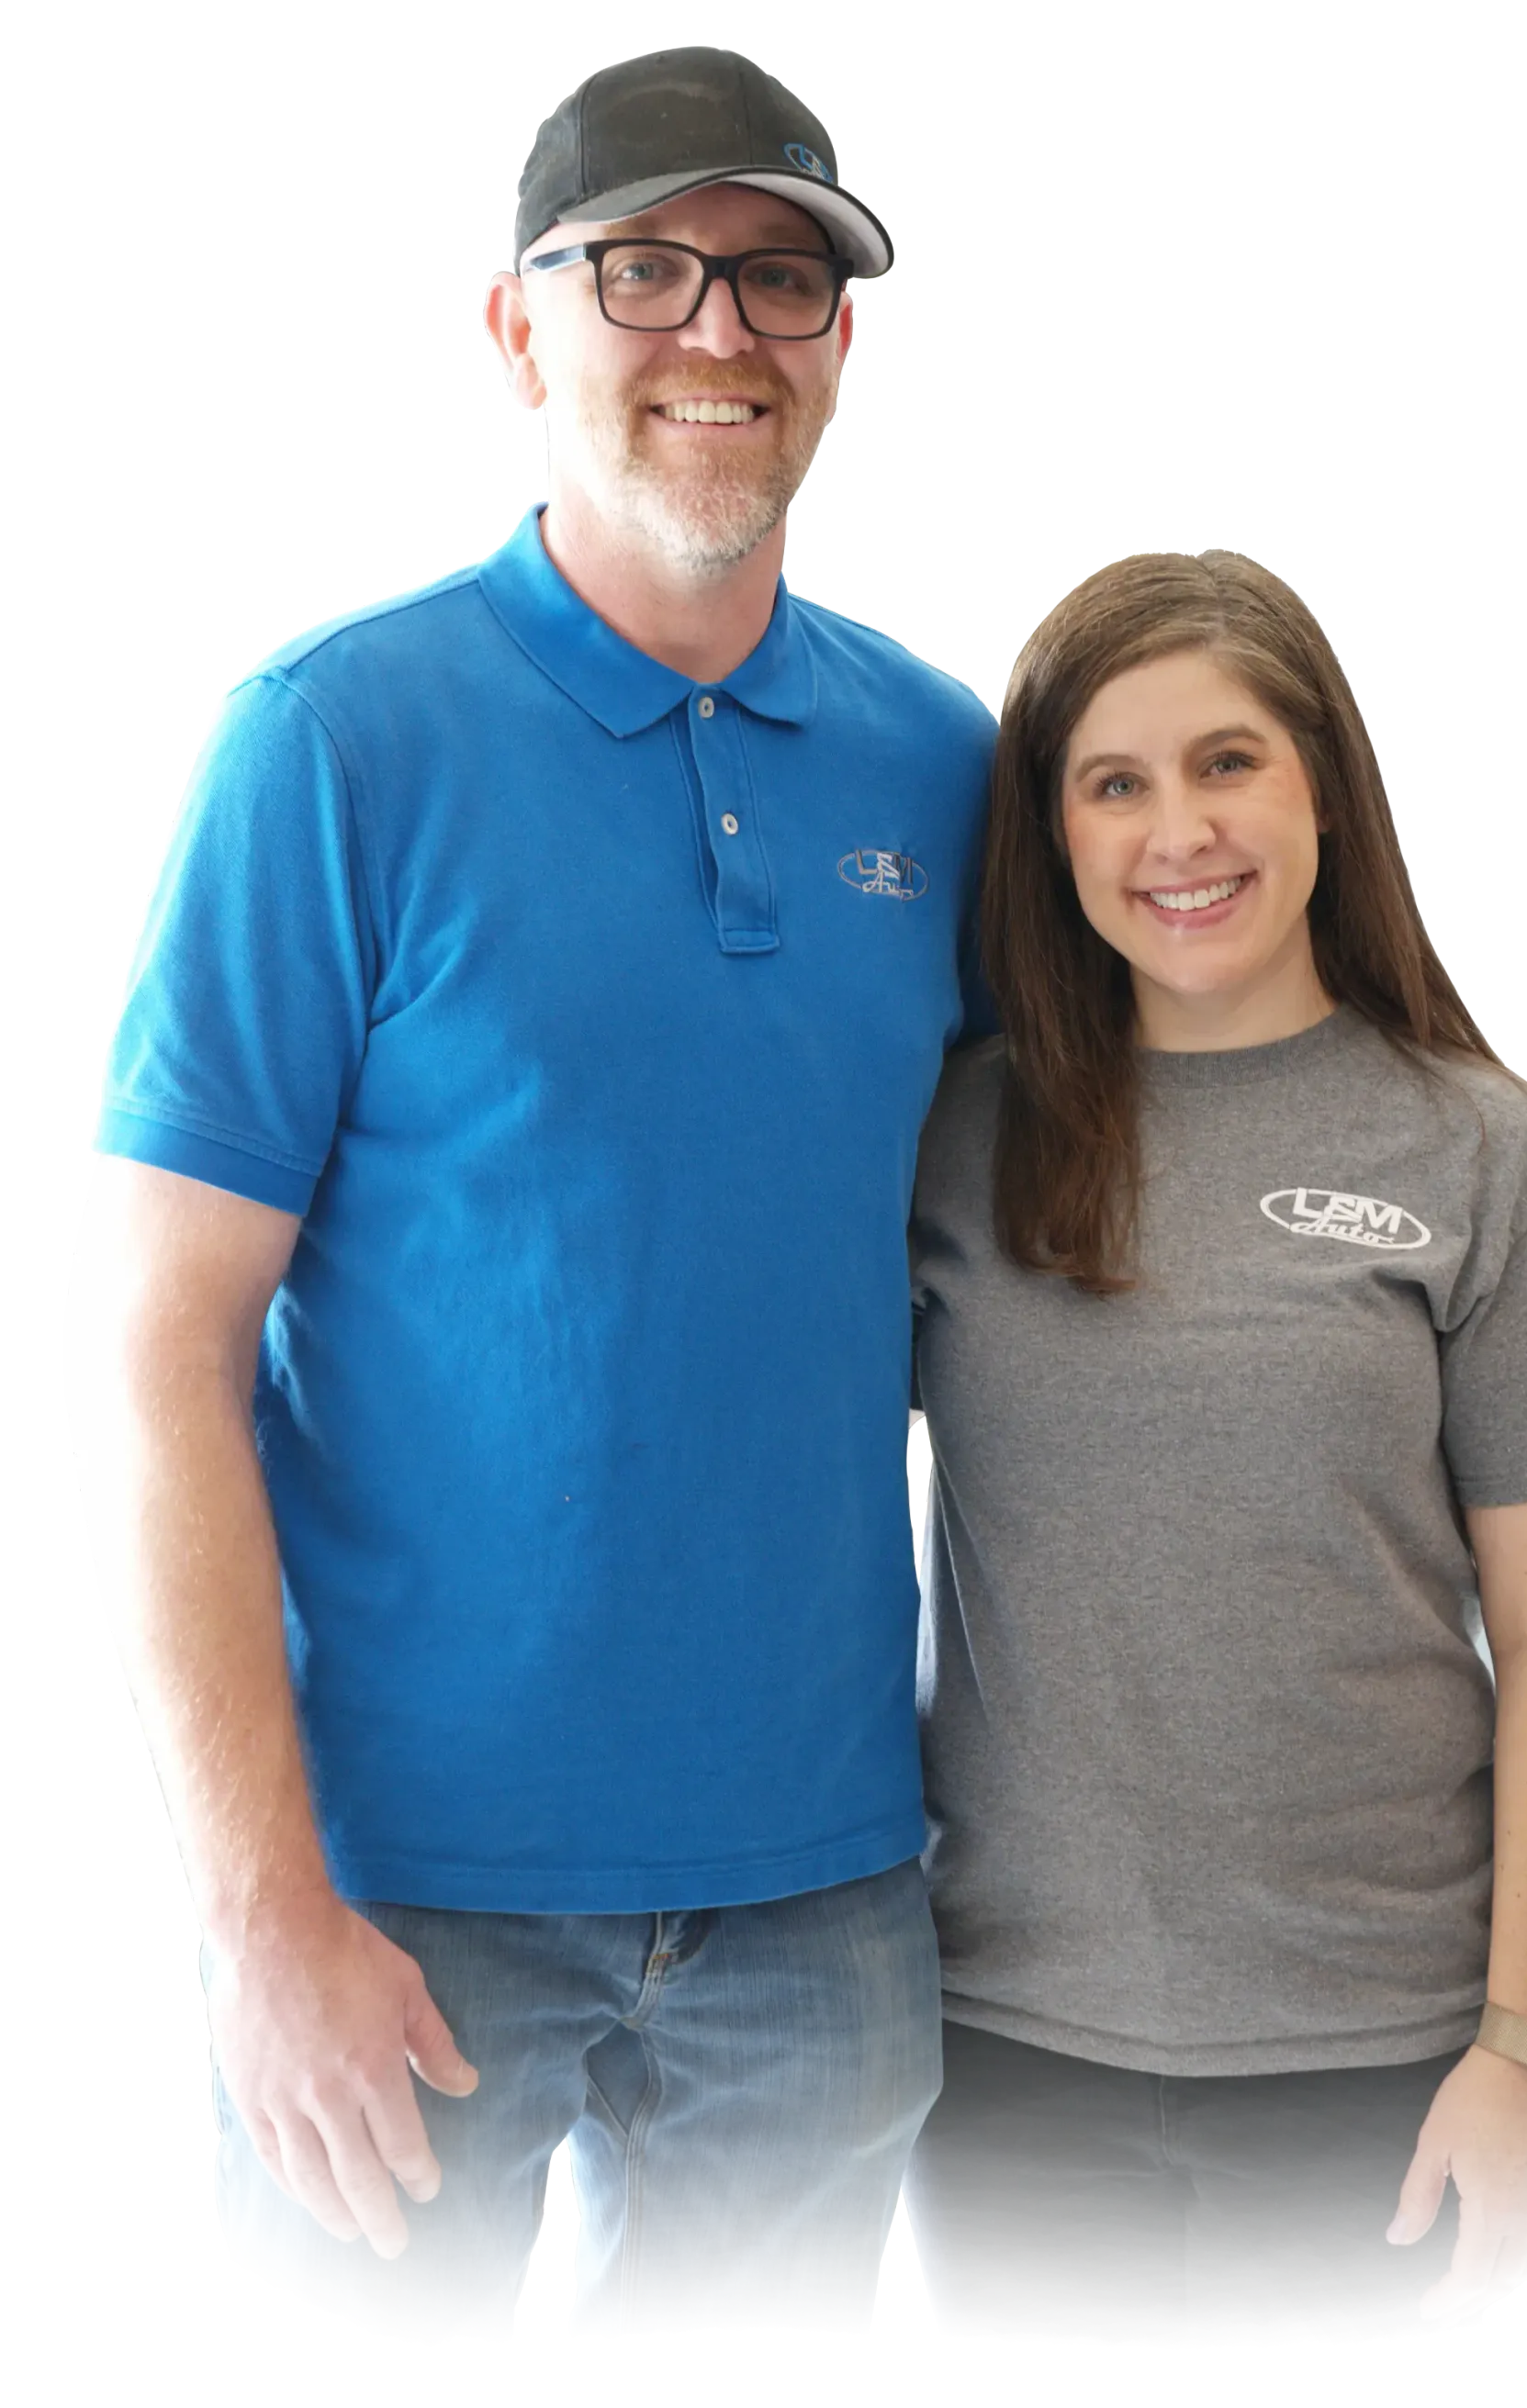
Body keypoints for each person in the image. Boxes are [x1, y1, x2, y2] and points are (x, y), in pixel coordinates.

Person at [60, 47, 998, 2346]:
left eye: (782, 281)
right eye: (644, 270)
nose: (719, 331)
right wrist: (258, 1911)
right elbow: (149, 1343)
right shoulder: (332, 740)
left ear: (842, 348)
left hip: (826, 1891)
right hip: (402, 1889)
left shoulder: (952, 768)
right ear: (514, 329)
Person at [899, 549, 1527, 2349]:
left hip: (1378, 2055)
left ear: (1324, 783)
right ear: (1053, 833)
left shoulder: (1488, 1158)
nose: (1180, 831)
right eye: (1115, 782)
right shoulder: (956, 1136)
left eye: (1227, 762)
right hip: (1003, 2045)